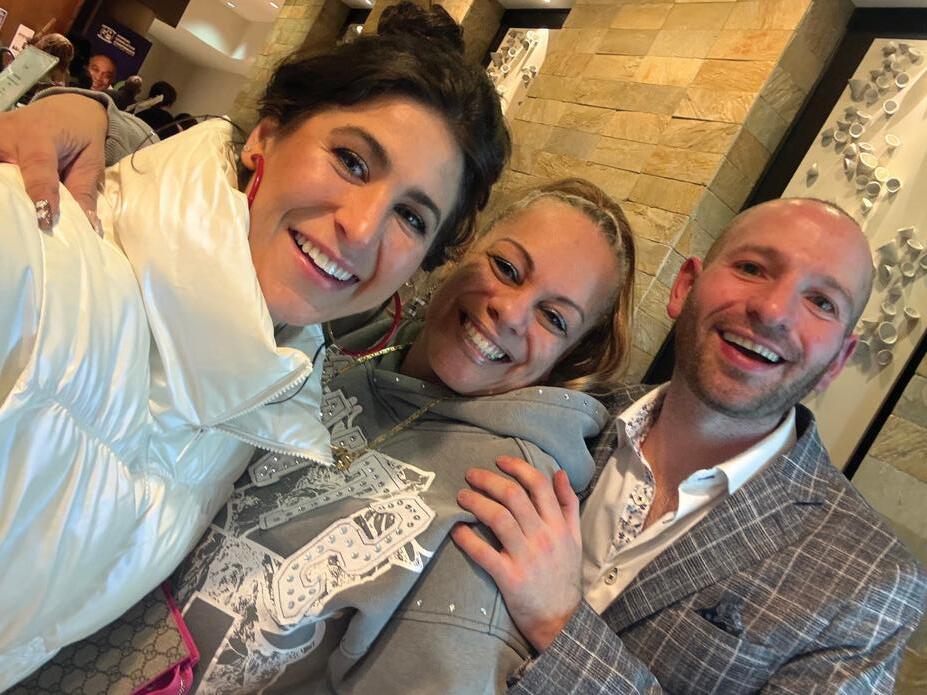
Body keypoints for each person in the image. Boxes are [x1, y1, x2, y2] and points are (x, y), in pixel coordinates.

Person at [0, 3, 509, 688]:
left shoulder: (263, 403)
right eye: (351, 161)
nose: (362, 228)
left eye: (411, 217)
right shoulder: (29, 250)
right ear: (265, 136)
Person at [11, 178, 637, 694]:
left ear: (572, 355)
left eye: (554, 318)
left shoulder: (505, 500)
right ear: (461, 247)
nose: (510, 310)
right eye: (506, 267)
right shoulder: (339, 334)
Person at [456, 198, 927, 692]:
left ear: (838, 360)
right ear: (685, 286)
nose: (772, 311)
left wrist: (559, 626)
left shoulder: (872, 582)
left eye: (822, 303)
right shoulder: (563, 406)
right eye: (752, 268)